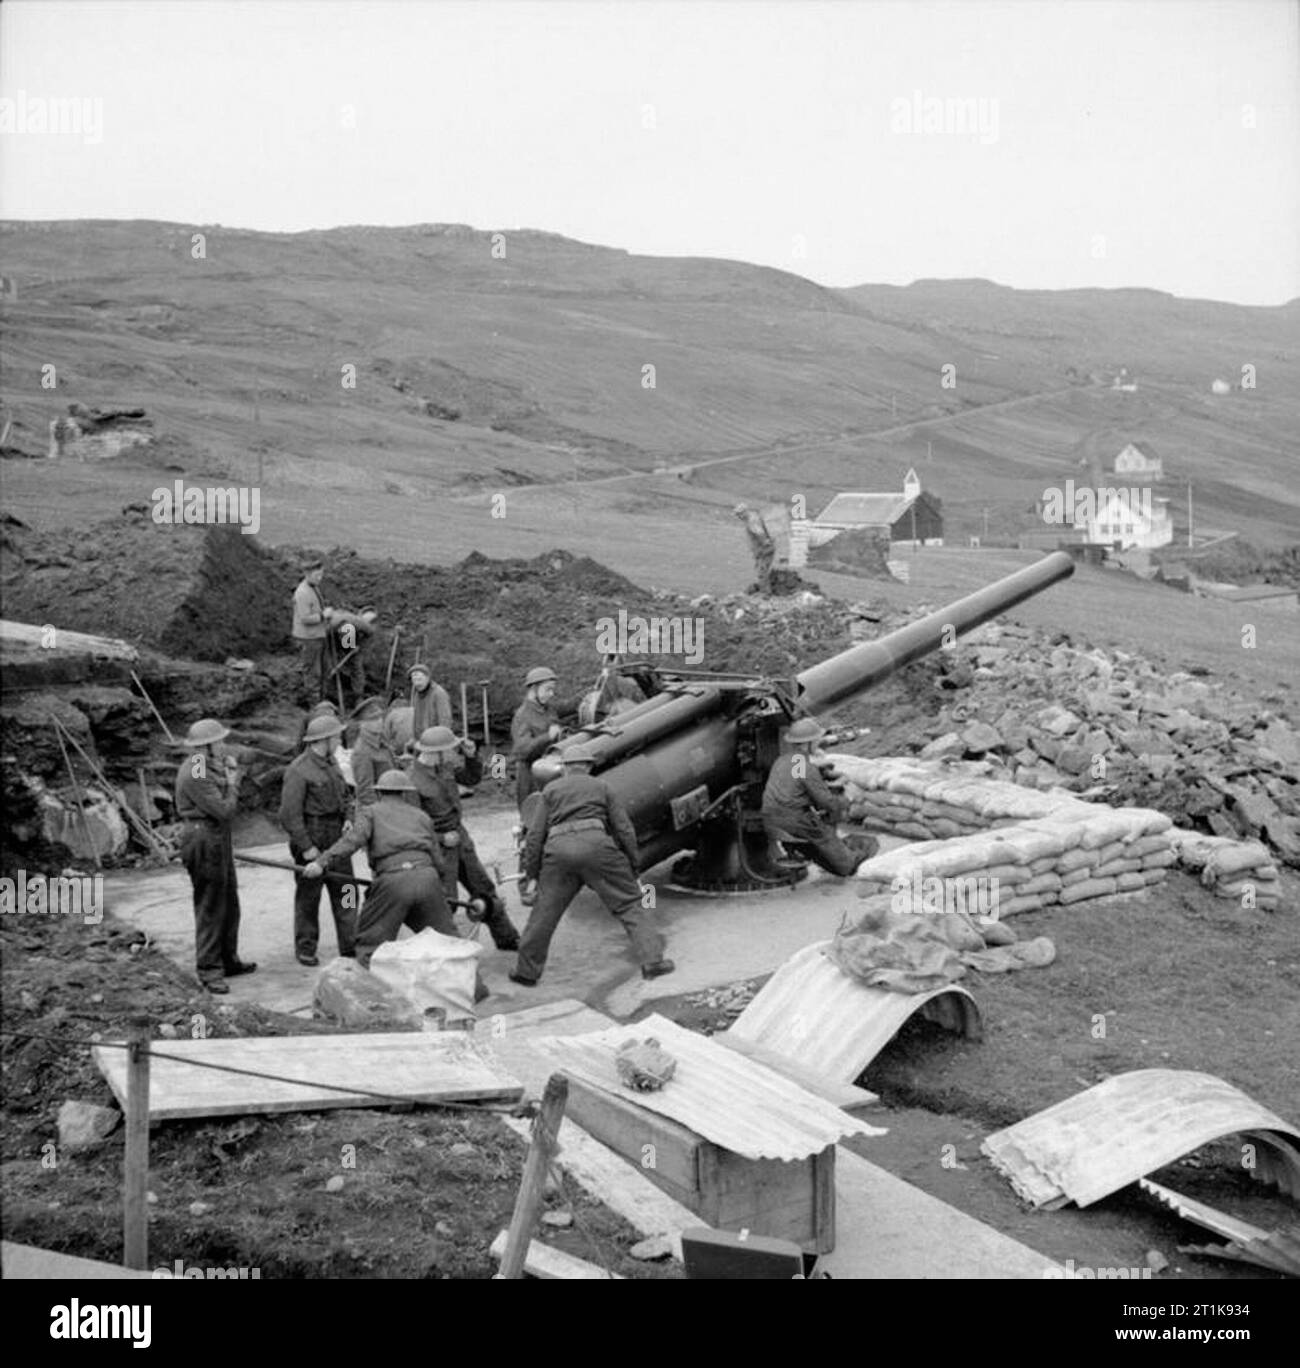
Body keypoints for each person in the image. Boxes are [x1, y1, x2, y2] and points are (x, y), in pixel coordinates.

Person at [513, 743, 673, 986]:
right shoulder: (601, 787)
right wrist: (632, 864)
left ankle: (526, 973)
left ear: (565, 768)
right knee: (630, 904)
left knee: (544, 912)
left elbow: (535, 836)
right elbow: (624, 829)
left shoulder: (550, 790)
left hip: (559, 852)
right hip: (598, 847)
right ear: (588, 766)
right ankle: (653, 962)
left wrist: (532, 873)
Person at [303, 769, 463, 970]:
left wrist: (320, 862)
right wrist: (442, 894)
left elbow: (352, 841)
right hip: (427, 878)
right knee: (448, 941)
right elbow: (438, 860)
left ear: (380, 793)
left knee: (370, 943)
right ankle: (473, 988)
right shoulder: (421, 816)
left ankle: (369, 994)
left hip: (393, 881)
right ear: (405, 794)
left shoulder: (370, 812)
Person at [409, 726, 520, 952]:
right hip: (439, 848)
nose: (453, 753)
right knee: (445, 901)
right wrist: (440, 839)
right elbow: (413, 826)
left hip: (460, 839)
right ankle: (443, 951)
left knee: (484, 889)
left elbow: (471, 778)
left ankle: (507, 938)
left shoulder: (444, 766)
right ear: (436, 752)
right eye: (449, 749)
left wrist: (471, 757)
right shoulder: (412, 780)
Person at [174, 717, 256, 995]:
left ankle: (227, 960)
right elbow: (224, 810)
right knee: (210, 905)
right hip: (203, 837)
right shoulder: (196, 770)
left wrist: (227, 772)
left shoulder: (207, 764)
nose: (223, 745)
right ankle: (209, 970)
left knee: (229, 902)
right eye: (219, 741)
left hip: (216, 837)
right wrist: (234, 782)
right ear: (207, 746)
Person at [278, 714, 359, 966]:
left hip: (337, 834)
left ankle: (351, 943)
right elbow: (289, 814)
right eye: (336, 737)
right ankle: (306, 947)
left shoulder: (332, 762)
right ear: (324, 740)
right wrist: (307, 847)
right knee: (309, 896)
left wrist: (348, 817)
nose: (339, 741)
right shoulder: (299, 769)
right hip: (313, 834)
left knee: (347, 890)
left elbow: (346, 795)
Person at [761, 717, 874, 876]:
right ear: (808, 743)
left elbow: (794, 782)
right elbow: (826, 802)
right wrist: (846, 801)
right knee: (847, 865)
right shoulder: (805, 767)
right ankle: (847, 856)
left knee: (822, 847)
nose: (818, 743)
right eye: (816, 741)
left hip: (771, 819)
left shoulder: (782, 760)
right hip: (797, 822)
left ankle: (827, 852)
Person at [511, 666, 562, 809]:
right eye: (548, 689)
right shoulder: (522, 715)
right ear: (534, 689)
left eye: (553, 689)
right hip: (530, 778)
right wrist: (548, 737)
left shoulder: (548, 709)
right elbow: (522, 751)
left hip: (549, 773)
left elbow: (568, 706)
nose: (551, 694)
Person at [291, 561, 333, 704]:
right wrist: (323, 616)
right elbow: (304, 618)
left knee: (323, 671)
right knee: (313, 673)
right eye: (317, 575)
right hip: (308, 638)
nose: (320, 578)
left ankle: (322, 701)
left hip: (319, 636)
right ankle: (315, 705)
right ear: (307, 574)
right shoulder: (302, 593)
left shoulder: (313, 587)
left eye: (321, 575)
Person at [349, 695, 399, 808]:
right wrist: (381, 814)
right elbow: (365, 792)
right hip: (380, 807)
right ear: (362, 724)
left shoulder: (381, 740)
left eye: (380, 717)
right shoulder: (362, 752)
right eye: (373, 719)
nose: (380, 721)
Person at [329, 606, 378, 712]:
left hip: (352, 640)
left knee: (356, 666)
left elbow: (369, 634)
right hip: (331, 639)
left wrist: (359, 647)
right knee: (329, 665)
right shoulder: (333, 624)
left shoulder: (362, 625)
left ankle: (358, 696)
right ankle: (328, 693)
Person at [733, 503, 775, 595]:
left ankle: (765, 594)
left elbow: (759, 533)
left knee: (761, 572)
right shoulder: (754, 516)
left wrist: (765, 542)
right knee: (761, 570)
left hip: (764, 550)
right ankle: (764, 591)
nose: (739, 517)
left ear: (745, 512)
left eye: (740, 514)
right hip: (764, 549)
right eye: (738, 515)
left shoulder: (751, 521)